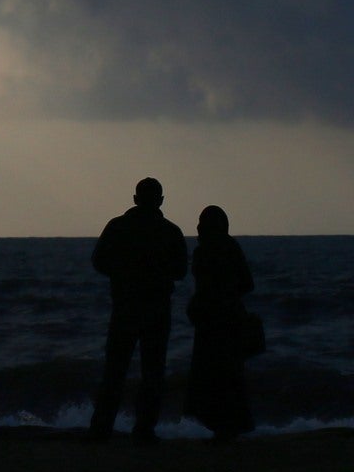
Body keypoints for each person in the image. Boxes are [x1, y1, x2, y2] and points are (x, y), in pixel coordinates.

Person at [88, 176, 188, 444]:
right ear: (160, 200)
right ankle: (143, 429)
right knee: (153, 372)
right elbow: (180, 271)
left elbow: (98, 261)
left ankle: (101, 428)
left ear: (135, 199)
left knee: (115, 370)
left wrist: (122, 274)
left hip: (125, 307)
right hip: (156, 309)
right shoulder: (170, 231)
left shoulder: (118, 227)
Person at [185, 205, 256, 442]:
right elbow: (247, 283)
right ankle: (230, 426)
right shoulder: (230, 247)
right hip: (228, 319)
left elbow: (205, 287)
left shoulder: (203, 252)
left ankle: (221, 426)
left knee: (212, 374)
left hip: (211, 322)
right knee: (229, 375)